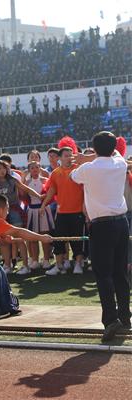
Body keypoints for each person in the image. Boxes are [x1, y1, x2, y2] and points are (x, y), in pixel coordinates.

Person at [71, 131, 131, 341]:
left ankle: (111, 320)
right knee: (120, 272)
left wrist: (84, 158)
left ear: (94, 149)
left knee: (103, 274)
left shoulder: (88, 168)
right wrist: (91, 156)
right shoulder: (120, 163)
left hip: (100, 225)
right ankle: (125, 316)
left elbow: (73, 175)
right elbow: (113, 153)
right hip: (122, 223)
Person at [40, 147, 86, 275]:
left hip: (78, 212)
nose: (69, 157)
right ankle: (59, 265)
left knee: (77, 240)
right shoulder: (55, 173)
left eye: (71, 155)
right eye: (66, 155)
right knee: (59, 240)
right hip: (61, 213)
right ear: (59, 158)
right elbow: (51, 191)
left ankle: (78, 264)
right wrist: (44, 205)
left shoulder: (79, 170)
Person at [22, 161, 54, 273]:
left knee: (45, 235)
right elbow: (22, 196)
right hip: (32, 210)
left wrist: (44, 201)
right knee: (33, 237)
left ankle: (46, 260)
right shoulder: (26, 182)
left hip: (44, 210)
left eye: (37, 167)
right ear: (29, 170)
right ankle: (35, 260)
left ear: (40, 168)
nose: (35, 169)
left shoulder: (45, 181)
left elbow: (51, 195)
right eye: (32, 168)